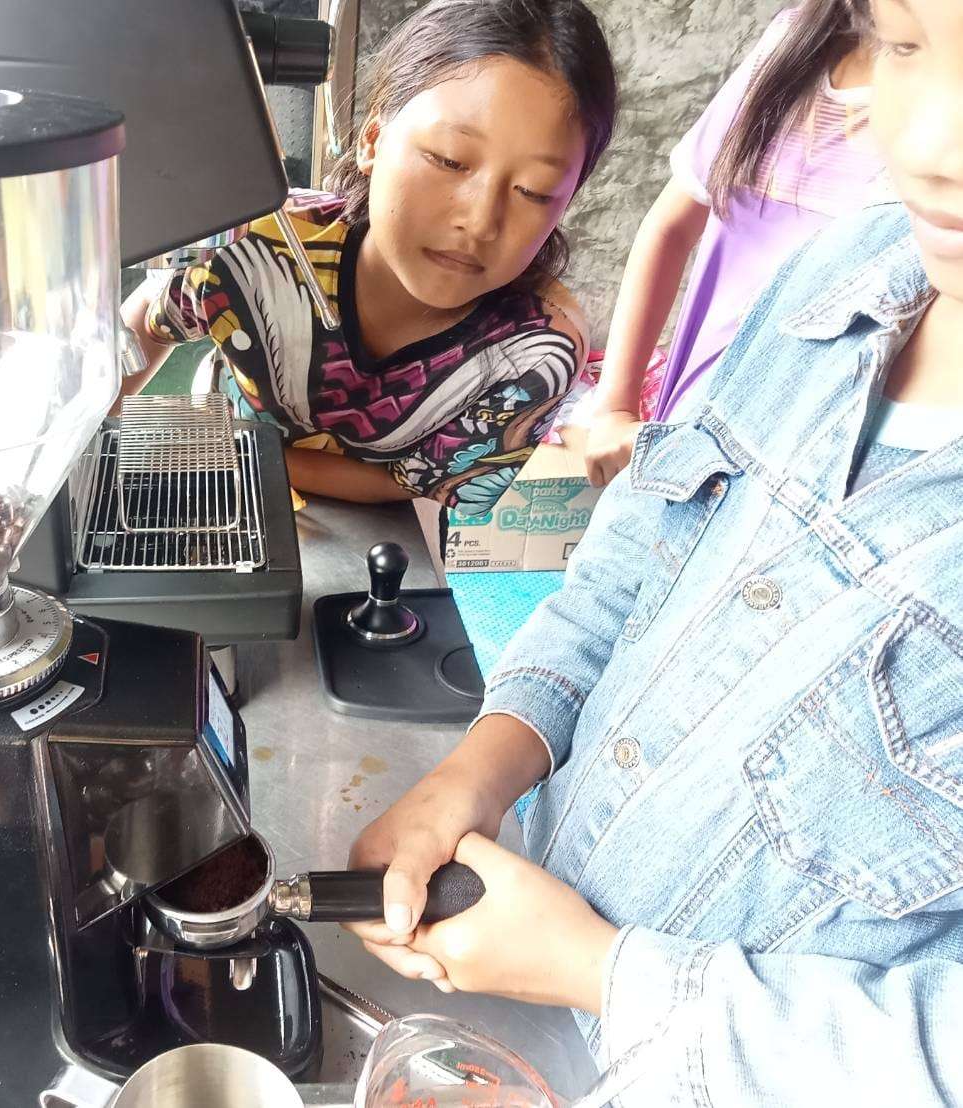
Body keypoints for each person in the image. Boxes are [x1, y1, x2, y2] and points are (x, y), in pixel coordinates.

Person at [346, 0, 963, 1101]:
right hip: (512, 989)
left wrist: (600, 970)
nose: (923, 149)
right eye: (906, 46)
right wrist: (476, 771)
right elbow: (633, 562)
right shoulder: (847, 271)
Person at [117, 0, 617, 515]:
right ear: (372, 140)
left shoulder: (537, 352)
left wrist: (243, 457)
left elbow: (409, 482)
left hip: (358, 518)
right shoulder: (262, 245)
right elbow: (154, 316)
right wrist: (92, 435)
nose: (480, 221)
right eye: (449, 160)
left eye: (534, 191)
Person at [584, 0, 890, 487]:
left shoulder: (933, 114)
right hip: (690, 427)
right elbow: (670, 228)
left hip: (814, 468)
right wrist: (615, 406)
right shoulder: (793, 44)